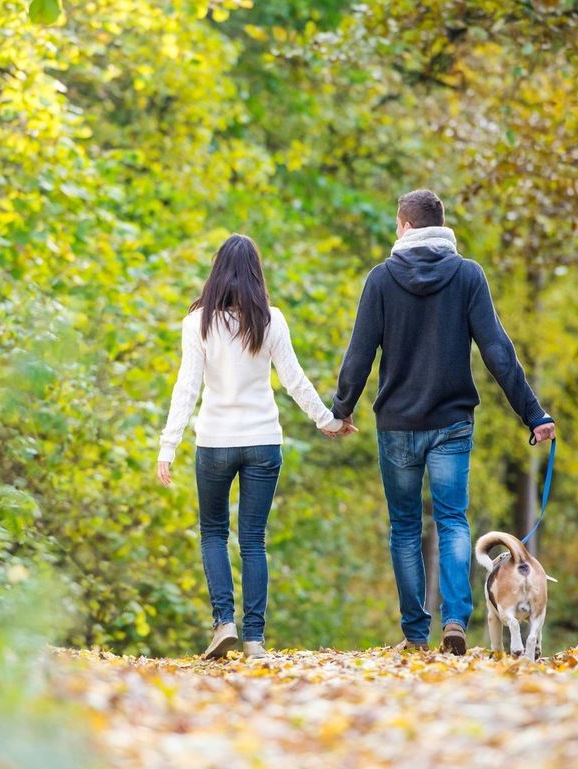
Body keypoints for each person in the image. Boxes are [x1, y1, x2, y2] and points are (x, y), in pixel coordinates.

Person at [329, 189, 556, 655]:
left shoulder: (381, 279)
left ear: (406, 226)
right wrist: (534, 414)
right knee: (453, 520)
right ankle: (454, 620)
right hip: (452, 423)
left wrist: (341, 409)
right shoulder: (467, 275)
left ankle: (415, 632)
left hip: (397, 425)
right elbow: (498, 350)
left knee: (405, 527)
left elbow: (359, 353)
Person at [158, 233, 347, 660]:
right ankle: (254, 639)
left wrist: (167, 445)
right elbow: (294, 379)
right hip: (263, 441)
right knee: (254, 540)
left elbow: (185, 389)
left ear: (216, 272)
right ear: (256, 273)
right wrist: (327, 420)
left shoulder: (197, 323)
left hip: (214, 443)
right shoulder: (270, 319)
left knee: (212, 533)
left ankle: (224, 621)